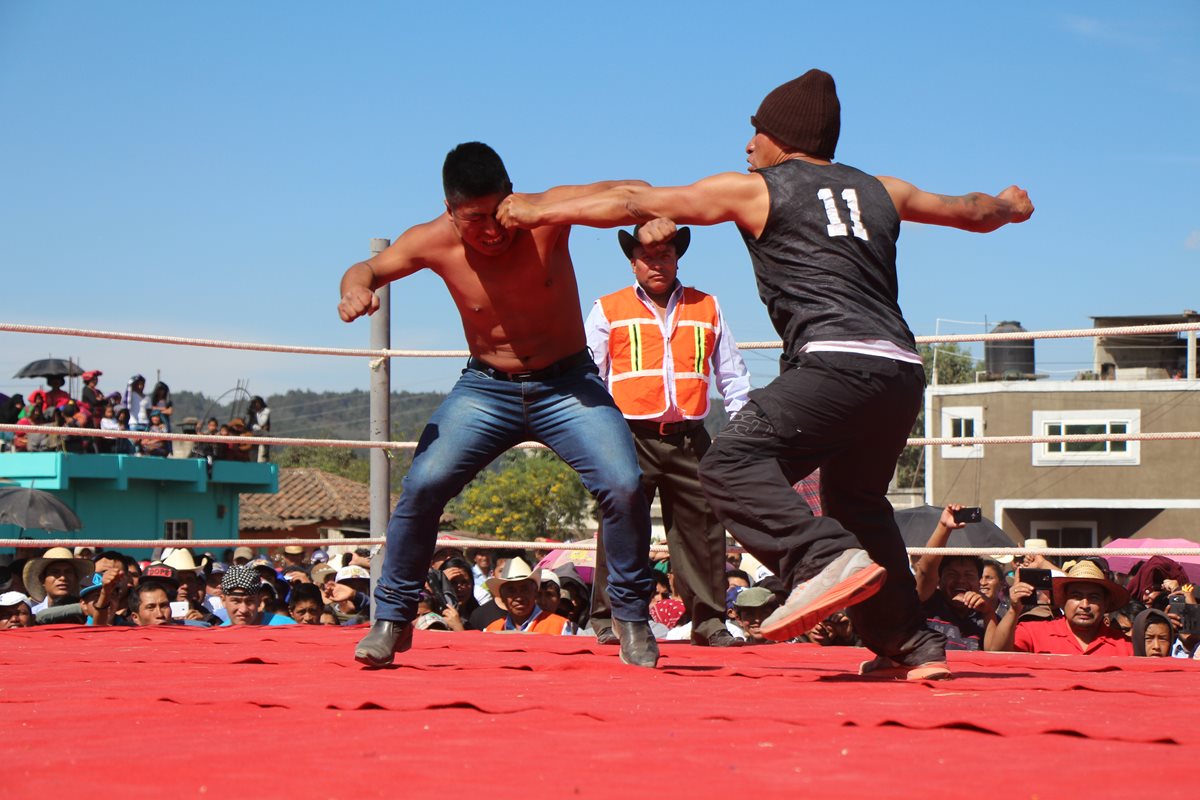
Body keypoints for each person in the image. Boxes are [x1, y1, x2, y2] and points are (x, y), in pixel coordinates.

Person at [498, 69, 1033, 679]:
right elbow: (969, 210)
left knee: (725, 466)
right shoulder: (883, 188)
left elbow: (633, 204)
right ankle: (910, 645)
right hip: (901, 374)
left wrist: (535, 209)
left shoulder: (759, 188)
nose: (749, 143)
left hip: (835, 364)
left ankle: (818, 559)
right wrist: (1009, 207)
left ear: (783, 137)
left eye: (758, 131)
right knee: (858, 502)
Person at [338, 142, 658, 668]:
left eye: (498, 212)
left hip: (568, 383)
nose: (491, 230)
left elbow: (634, 194)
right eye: (474, 219)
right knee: (421, 485)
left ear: (511, 195)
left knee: (624, 485)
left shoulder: (543, 216)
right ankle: (392, 618)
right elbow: (366, 270)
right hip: (487, 388)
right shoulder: (432, 240)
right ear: (450, 211)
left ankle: (630, 617)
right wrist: (354, 292)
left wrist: (563, 211)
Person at [585, 223, 751, 649]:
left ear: (678, 258)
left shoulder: (707, 306)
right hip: (628, 436)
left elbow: (731, 373)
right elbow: (591, 377)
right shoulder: (608, 308)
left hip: (690, 435)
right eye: (647, 256)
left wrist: (742, 431)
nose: (656, 263)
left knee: (704, 526)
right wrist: (597, 436)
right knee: (620, 524)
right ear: (632, 262)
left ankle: (709, 622)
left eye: (665, 255)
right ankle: (607, 618)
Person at [994, 561, 1132, 656]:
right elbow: (997, 654)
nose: (1084, 605)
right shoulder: (1032, 632)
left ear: (1106, 603)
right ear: (1063, 600)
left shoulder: (1125, 646)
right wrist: (1013, 610)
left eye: (1094, 597)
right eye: (1076, 596)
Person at [483, 558, 574, 635]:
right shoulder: (491, 630)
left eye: (524, 589)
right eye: (511, 591)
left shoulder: (560, 626)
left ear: (535, 592)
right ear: (502, 597)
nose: (519, 597)